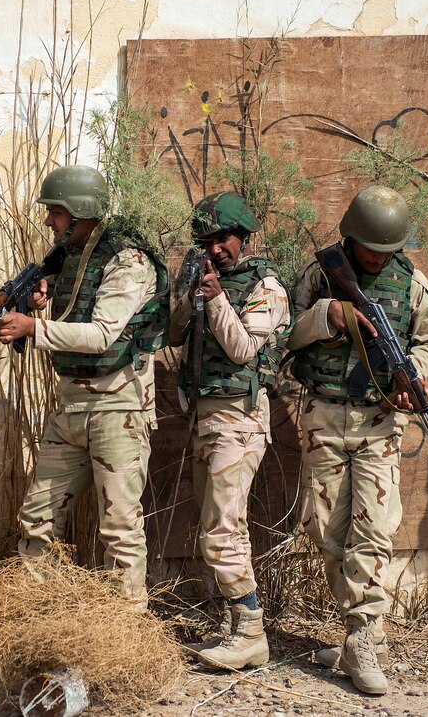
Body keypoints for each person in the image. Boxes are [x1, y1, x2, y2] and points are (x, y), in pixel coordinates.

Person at [288, 185, 428, 695]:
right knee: (325, 530)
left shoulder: (413, 283)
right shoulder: (319, 275)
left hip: (379, 425)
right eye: (370, 248)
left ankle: (361, 636)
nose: (379, 257)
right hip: (323, 415)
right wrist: (327, 317)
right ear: (350, 238)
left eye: (388, 250)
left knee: (375, 531)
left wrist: (412, 377)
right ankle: (359, 626)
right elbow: (282, 331)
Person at [0, 164, 167, 609]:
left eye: (55, 212)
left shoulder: (128, 260)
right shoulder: (72, 257)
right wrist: (43, 299)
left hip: (118, 406)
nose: (48, 221)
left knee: (119, 526)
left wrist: (34, 327)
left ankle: (126, 632)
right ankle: (36, 617)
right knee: (37, 517)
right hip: (70, 404)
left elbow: (102, 335)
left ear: (80, 210)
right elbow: (77, 311)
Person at [168, 191, 291, 669]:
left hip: (238, 422)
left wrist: (217, 300)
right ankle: (235, 624)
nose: (215, 249)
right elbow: (176, 335)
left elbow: (241, 349)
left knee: (221, 531)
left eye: (223, 239)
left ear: (243, 237)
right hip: (206, 419)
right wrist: (187, 293)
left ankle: (251, 632)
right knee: (219, 526)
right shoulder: (205, 280)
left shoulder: (268, 288)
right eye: (206, 241)